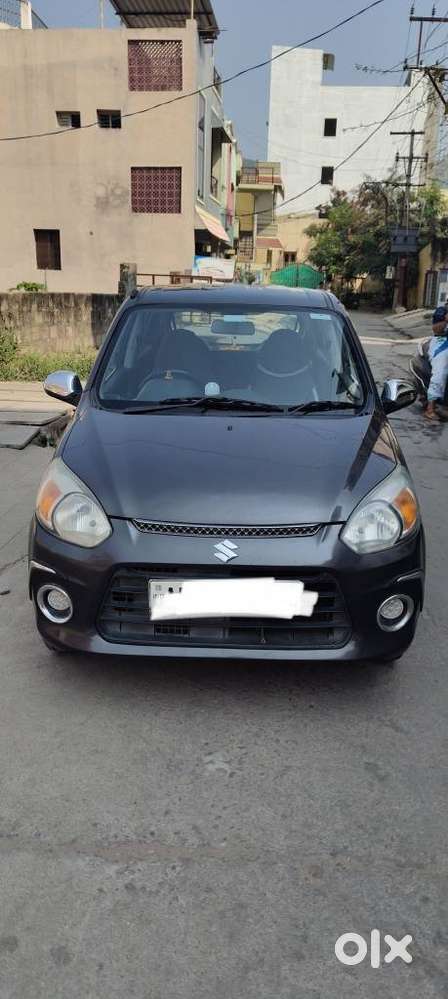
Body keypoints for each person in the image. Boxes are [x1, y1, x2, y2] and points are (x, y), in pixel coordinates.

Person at [425, 304, 448, 422]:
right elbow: (436, 329)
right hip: (441, 343)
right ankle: (430, 408)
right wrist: (446, 319)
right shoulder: (442, 311)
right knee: (441, 370)